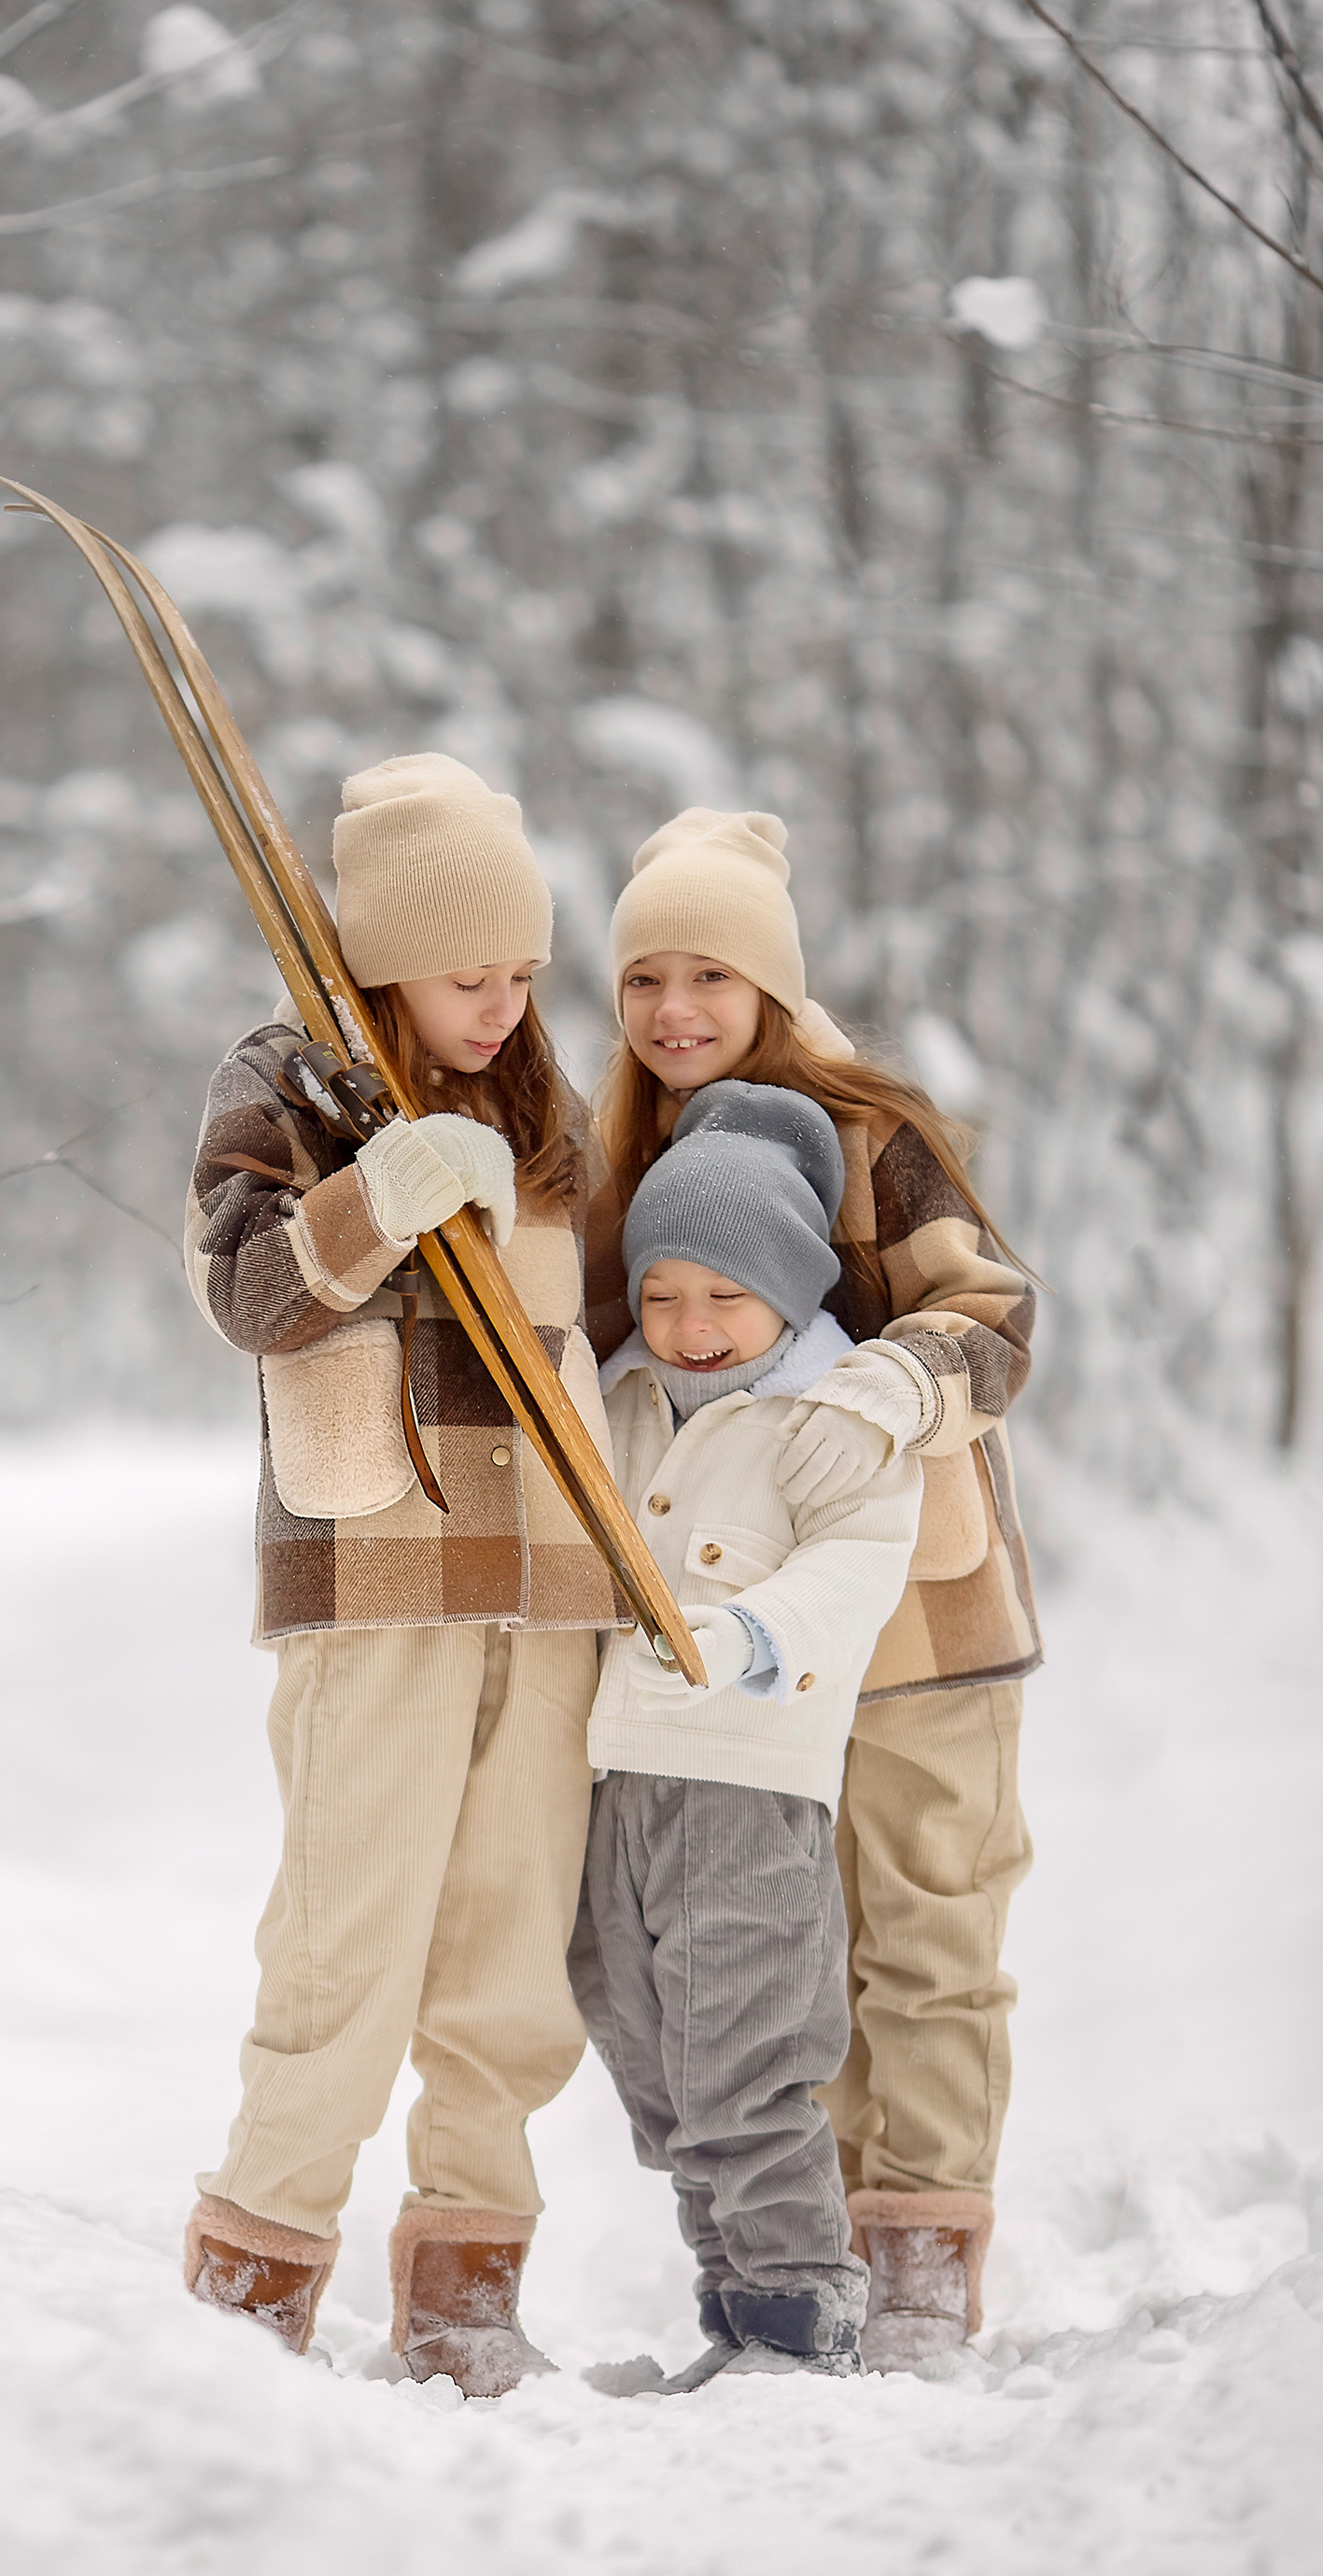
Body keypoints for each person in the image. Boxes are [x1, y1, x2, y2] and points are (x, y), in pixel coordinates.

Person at [180, 753, 622, 2397]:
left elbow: (597, 1323)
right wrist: (377, 1200)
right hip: (377, 1571)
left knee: (511, 1959)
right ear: (385, 963)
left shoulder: (540, 1098)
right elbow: (243, 1296)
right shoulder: (287, 1076)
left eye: (524, 972)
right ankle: (251, 2285)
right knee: (344, 1944)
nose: (505, 1006)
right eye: (469, 976)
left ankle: (467, 2299)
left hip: (550, 1578)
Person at [586, 809, 1041, 2371]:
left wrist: (898, 1385)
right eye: (646, 980)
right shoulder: (623, 1152)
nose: (676, 1012)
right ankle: (820, 2261)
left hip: (916, 1612)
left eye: (711, 975)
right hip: (735, 1640)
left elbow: (994, 1309)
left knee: (927, 1931)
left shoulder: (869, 1131)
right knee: (794, 1953)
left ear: (770, 985)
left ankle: (922, 2270)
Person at [574, 1081, 922, 2383]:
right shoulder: (618, 1400)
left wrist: (748, 1633)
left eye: (727, 1294)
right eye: (663, 1294)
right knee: (649, 2058)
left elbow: (859, 1564)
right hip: (616, 1784)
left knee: (745, 2056)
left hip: (747, 1788)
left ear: (789, 1292)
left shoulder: (829, 1422)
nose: (691, 1325)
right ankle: (735, 2306)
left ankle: (796, 2307)